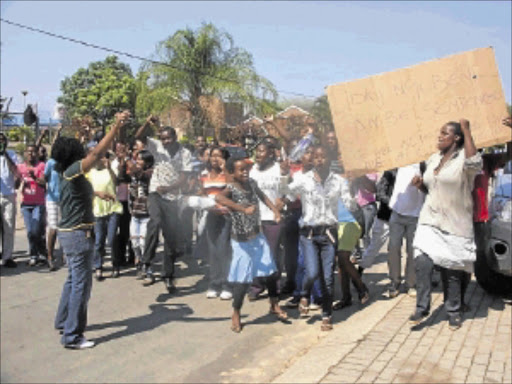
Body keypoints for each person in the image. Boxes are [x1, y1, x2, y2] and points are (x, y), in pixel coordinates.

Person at [53, 110, 130, 349]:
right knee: (81, 284)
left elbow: (74, 194)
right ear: (73, 155)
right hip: (77, 233)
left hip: (70, 233)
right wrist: (116, 126)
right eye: (80, 148)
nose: (85, 150)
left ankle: (63, 321)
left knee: (72, 280)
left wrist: (97, 193)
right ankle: (72, 336)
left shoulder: (65, 172)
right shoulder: (73, 169)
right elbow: (97, 152)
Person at [409, 118, 481, 331]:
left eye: (444, 133)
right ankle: (422, 307)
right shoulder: (433, 159)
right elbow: (432, 189)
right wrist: (421, 185)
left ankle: (453, 310)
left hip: (455, 223)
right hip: (430, 220)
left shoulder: (463, 160)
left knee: (452, 270)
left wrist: (468, 129)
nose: (439, 136)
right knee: (421, 261)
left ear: (456, 138)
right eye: (439, 132)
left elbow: (475, 163)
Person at [286, 146, 357, 331]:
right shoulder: (303, 179)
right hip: (309, 234)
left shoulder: (338, 181)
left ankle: (326, 314)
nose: (319, 160)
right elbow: (288, 194)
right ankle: (304, 293)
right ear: (312, 160)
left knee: (327, 277)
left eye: (323, 156)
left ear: (329, 158)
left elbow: (350, 204)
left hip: (328, 234)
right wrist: (285, 180)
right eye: (316, 157)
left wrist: (352, 188)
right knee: (312, 273)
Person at [216, 156, 287, 333]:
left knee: (271, 273)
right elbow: (219, 198)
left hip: (258, 237)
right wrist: (242, 209)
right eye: (241, 170)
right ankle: (236, 313)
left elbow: (263, 196)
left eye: (246, 168)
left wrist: (275, 210)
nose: (245, 172)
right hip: (241, 242)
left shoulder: (252, 183)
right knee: (242, 281)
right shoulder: (231, 188)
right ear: (232, 173)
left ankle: (274, 304)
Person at [134, 116, 192, 293]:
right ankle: (146, 261)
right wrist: (147, 123)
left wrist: (169, 188)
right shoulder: (157, 147)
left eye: (168, 138)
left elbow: (184, 177)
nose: (165, 142)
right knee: (155, 221)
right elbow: (139, 136)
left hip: (173, 197)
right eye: (163, 138)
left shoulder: (185, 153)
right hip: (155, 193)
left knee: (170, 238)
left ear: (175, 138)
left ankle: (168, 275)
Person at [247, 140, 287, 301]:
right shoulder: (252, 171)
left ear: (270, 153)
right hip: (255, 218)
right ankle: (256, 286)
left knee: (272, 253)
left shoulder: (279, 170)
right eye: (257, 151)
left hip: (273, 217)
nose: (258, 154)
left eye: (262, 151)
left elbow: (285, 190)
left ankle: (275, 286)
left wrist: (282, 201)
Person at [194, 146, 232, 299]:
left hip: (226, 216)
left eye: (219, 156)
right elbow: (203, 192)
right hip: (211, 215)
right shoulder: (204, 175)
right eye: (212, 156)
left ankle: (227, 285)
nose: (215, 159)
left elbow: (232, 188)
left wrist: (226, 169)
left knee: (223, 249)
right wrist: (200, 199)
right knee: (213, 250)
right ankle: (214, 283)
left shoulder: (227, 174)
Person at [386, 164, 426, 298]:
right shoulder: (398, 162)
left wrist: (420, 184)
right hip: (397, 213)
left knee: (412, 250)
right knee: (393, 247)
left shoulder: (423, 163)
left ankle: (411, 283)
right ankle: (394, 282)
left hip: (415, 215)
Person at [87, 151, 123, 280]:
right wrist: (98, 193)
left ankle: (115, 264)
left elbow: (116, 182)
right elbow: (86, 189)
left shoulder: (111, 169)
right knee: (99, 241)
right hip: (97, 210)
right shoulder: (90, 173)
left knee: (112, 239)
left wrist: (109, 168)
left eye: (101, 158)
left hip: (113, 208)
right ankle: (98, 266)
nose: (98, 161)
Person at [359, 168, 397, 274]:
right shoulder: (390, 172)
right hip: (386, 215)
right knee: (374, 246)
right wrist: (395, 204)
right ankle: (359, 271)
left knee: (401, 250)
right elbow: (379, 193)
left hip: (406, 216)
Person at [18, 144, 48, 266]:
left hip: (39, 203)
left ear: (37, 153)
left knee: (36, 230)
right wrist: (20, 181)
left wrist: (34, 176)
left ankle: (42, 252)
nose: (30, 154)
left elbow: (43, 182)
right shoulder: (20, 167)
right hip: (26, 204)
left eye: (33, 152)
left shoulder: (42, 166)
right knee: (30, 231)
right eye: (28, 152)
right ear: (25, 153)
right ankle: (33, 255)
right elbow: (15, 185)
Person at [128, 149, 154, 278]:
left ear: (147, 162)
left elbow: (142, 175)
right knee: (135, 243)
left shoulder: (151, 173)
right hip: (135, 213)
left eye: (140, 159)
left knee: (144, 243)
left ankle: (147, 268)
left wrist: (127, 160)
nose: (137, 162)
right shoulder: (134, 176)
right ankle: (139, 261)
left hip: (147, 213)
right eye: (136, 159)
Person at [43, 125, 65, 271]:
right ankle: (50, 256)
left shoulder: (67, 162)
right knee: (53, 227)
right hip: (52, 198)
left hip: (64, 199)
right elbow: (45, 178)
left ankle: (64, 255)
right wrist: (57, 131)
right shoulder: (51, 163)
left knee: (64, 227)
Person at [111, 141, 135, 266]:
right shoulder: (112, 164)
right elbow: (116, 180)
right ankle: (118, 257)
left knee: (127, 230)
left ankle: (131, 256)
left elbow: (131, 177)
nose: (120, 151)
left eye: (122, 149)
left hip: (128, 201)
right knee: (116, 232)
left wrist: (126, 161)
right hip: (116, 201)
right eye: (118, 149)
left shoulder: (131, 162)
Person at [0, 132, 21, 268]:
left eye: (3, 140)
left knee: (9, 227)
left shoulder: (12, 155)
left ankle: (7, 257)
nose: (1, 142)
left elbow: (16, 173)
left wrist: (5, 154)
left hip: (9, 195)